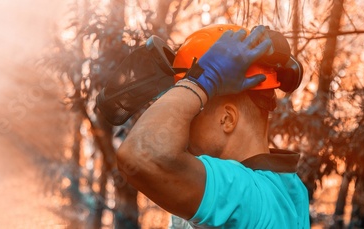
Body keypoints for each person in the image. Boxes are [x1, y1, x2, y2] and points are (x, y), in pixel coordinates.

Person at [116, 24, 310, 228]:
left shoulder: (243, 195)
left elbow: (140, 156)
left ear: (227, 119)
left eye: (194, 110)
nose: (182, 128)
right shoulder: (289, 189)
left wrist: (199, 82)